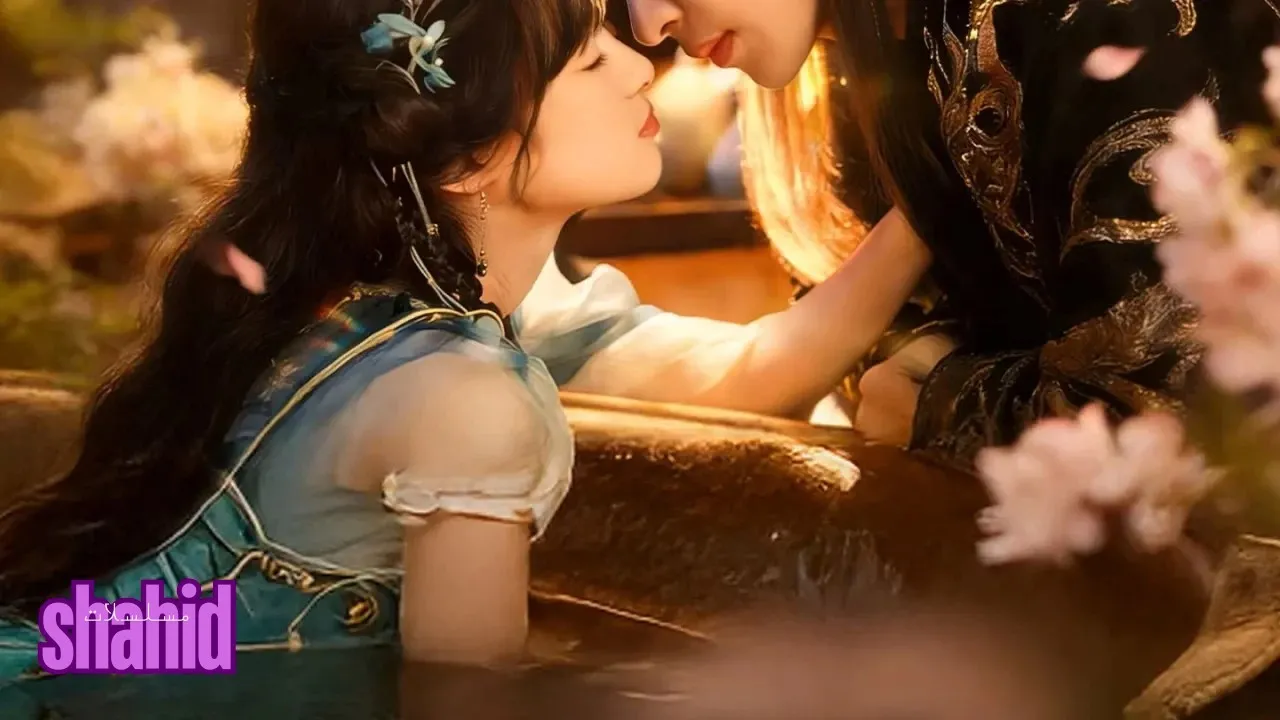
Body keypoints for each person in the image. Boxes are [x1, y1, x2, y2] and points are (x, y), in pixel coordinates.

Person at [0, 0, 932, 674]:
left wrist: (944, 190)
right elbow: (468, 701)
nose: (643, 63)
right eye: (588, 61)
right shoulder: (466, 396)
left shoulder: (364, 314)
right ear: (472, 154)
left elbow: (746, 370)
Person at [621, 0, 1280, 463]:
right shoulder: (857, 68)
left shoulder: (1092, 18)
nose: (649, 24)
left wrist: (942, 403)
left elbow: (1192, 410)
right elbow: (874, 362)